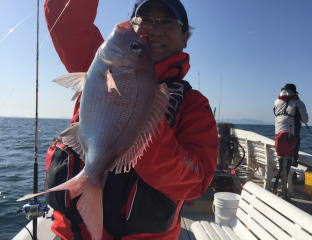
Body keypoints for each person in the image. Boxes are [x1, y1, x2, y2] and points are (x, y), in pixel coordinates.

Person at [43, 0, 218, 240]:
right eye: (144, 20)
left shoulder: (194, 105)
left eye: (167, 22)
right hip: (69, 235)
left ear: (185, 36)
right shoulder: (101, 62)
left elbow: (194, 183)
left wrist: (143, 126)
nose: (154, 29)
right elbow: (66, 19)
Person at [273, 83, 308, 198]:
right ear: (294, 92)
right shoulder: (298, 103)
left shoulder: (277, 102)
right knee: (289, 162)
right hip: (291, 139)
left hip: (278, 138)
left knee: (282, 162)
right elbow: (305, 119)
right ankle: (284, 193)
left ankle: (282, 188)